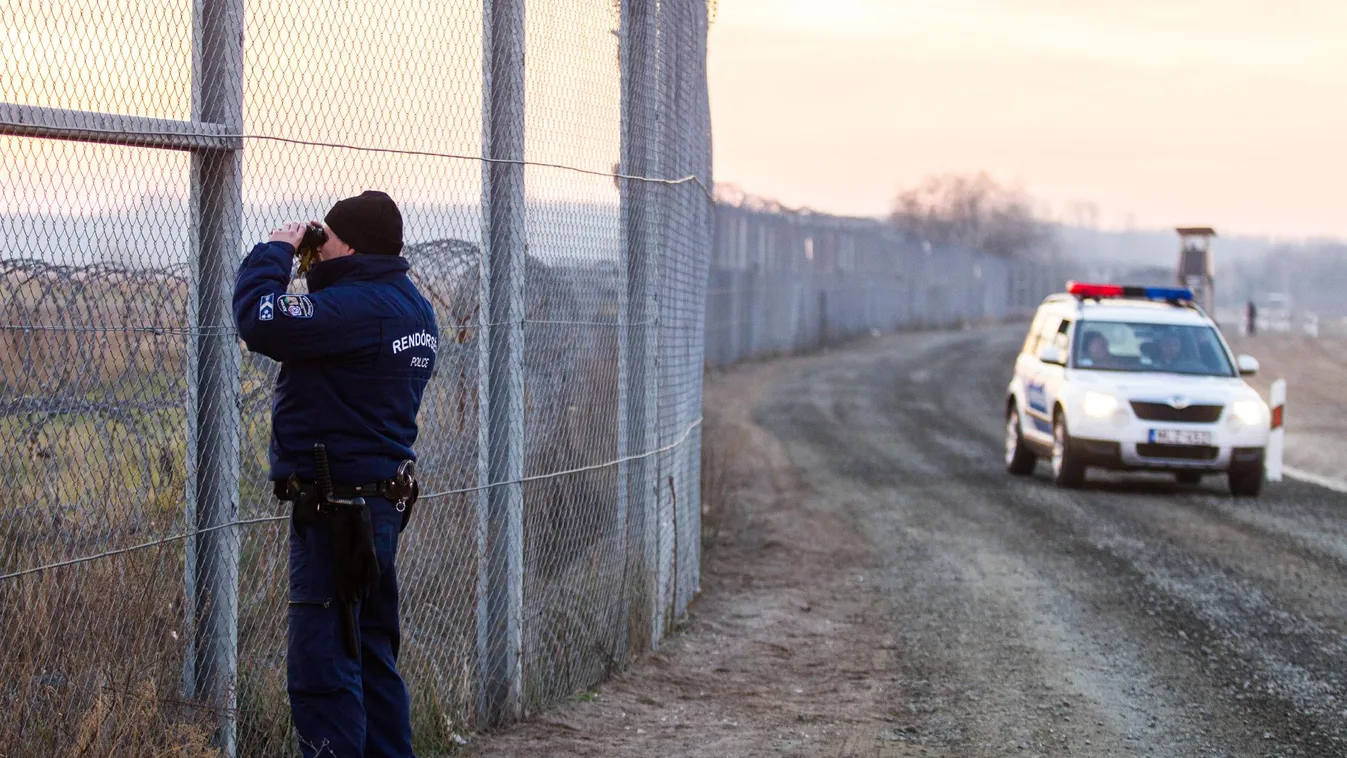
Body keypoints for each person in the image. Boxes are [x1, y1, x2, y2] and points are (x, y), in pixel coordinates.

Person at [233, 190, 437, 757]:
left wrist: (276, 252)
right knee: (372, 657)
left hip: (334, 513)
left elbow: (260, 320)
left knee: (324, 668)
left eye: (329, 241)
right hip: (380, 508)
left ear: (349, 246)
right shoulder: (413, 310)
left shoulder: (358, 309)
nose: (319, 252)